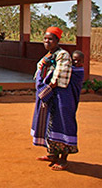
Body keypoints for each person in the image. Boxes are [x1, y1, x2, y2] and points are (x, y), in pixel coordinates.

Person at [30, 27, 83, 171]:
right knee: (49, 124)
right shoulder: (49, 56)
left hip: (62, 96)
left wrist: (45, 90)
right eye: (45, 39)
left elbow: (57, 78)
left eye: (50, 39)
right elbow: (39, 71)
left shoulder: (62, 55)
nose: (47, 41)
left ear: (57, 41)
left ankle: (64, 159)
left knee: (63, 123)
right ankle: (52, 154)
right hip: (52, 96)